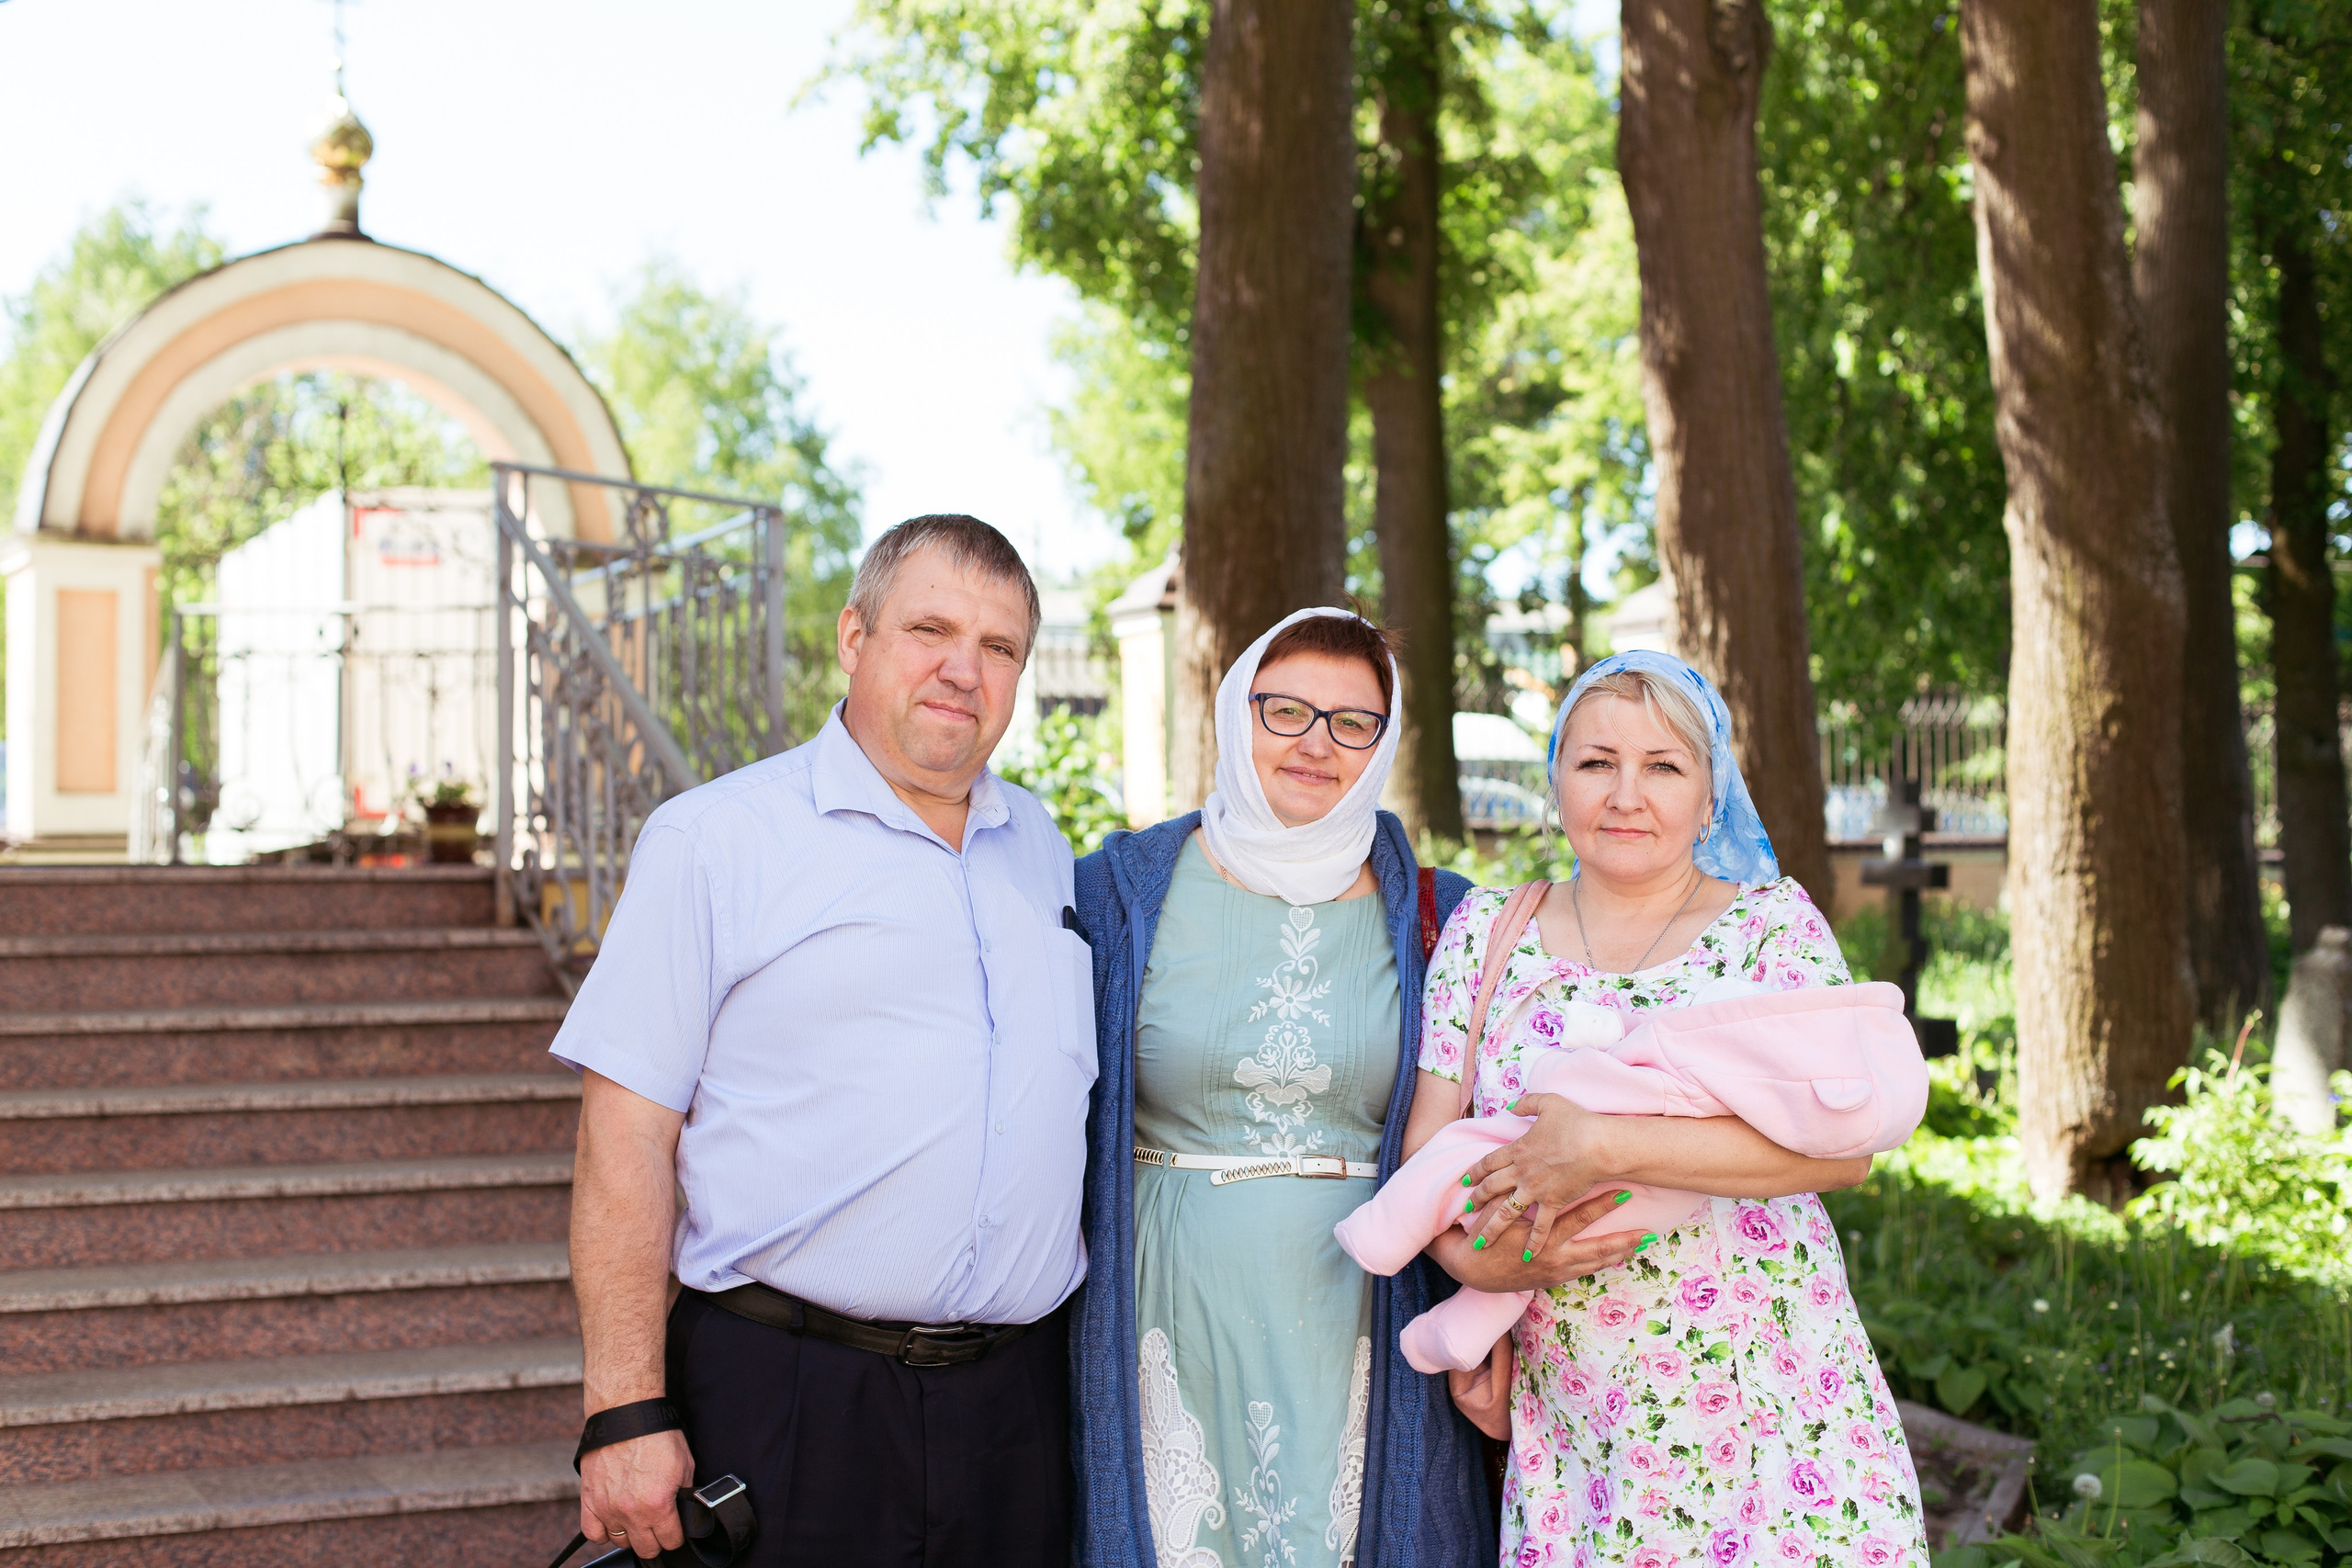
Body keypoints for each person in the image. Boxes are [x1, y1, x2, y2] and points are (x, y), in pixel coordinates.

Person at [551, 515, 1093, 1567]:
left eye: (998, 648)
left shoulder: (1044, 847)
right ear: (853, 637)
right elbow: (622, 1138)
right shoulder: (715, 839)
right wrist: (622, 1407)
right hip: (791, 1399)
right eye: (929, 629)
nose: (961, 670)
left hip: (1017, 1411)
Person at [1069, 608, 1647, 1568]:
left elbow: (1502, 1121)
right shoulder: (1121, 893)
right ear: (1231, 713)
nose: (1314, 743)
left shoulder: (1445, 917)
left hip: (1361, 1317)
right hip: (1163, 1307)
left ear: (1384, 740)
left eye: (1351, 721)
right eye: (1283, 709)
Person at [1403, 649, 1930, 1567]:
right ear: (1556, 776)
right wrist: (1479, 1270)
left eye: (1663, 766)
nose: (1625, 795)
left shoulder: (1769, 928)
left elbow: (1841, 1154)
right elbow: (1429, 1157)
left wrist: (1605, 1147)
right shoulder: (1485, 933)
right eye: (1596, 761)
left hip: (1771, 1393)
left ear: (1709, 790)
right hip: (1582, 1413)